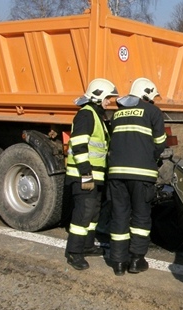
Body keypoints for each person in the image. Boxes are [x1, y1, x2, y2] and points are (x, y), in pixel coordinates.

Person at [107, 77, 167, 276]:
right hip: (142, 175)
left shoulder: (117, 114)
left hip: (116, 174)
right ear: (147, 94)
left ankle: (118, 262)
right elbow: (160, 143)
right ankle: (136, 260)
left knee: (119, 216)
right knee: (141, 217)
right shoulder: (153, 112)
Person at [65, 78, 119, 270]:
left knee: (93, 212)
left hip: (95, 175)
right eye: (107, 98)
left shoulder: (97, 116)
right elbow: (79, 144)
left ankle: (87, 245)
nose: (109, 102)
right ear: (97, 97)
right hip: (84, 174)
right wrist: (86, 172)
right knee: (83, 213)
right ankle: (74, 252)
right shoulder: (86, 115)